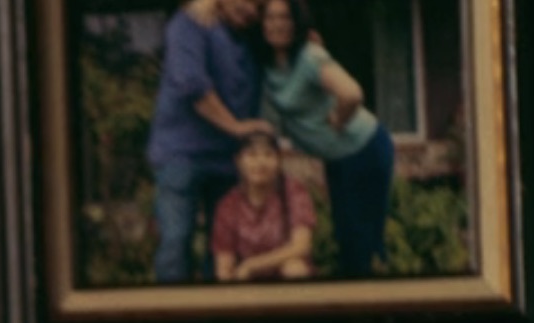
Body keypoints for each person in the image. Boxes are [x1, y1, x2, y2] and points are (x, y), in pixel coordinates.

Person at [257, 0, 395, 277]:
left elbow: (351, 93)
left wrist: (339, 119)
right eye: (270, 18)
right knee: (346, 239)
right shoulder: (269, 65)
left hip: (364, 150)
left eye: (285, 18)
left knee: (360, 243)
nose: (277, 25)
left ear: (297, 24)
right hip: (338, 158)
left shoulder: (309, 56)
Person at [145, 0, 272, 283]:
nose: (251, 10)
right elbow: (192, 85)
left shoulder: (250, 38)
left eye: (259, 6)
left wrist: (307, 39)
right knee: (176, 243)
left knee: (223, 252)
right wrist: (236, 127)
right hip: (181, 156)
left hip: (227, 162)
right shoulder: (190, 22)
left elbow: (286, 36)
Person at [210, 132, 318, 281]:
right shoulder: (228, 205)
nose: (260, 163)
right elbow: (224, 265)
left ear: (279, 160)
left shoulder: (293, 192)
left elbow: (301, 246)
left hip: (282, 270)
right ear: (238, 161)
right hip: (247, 280)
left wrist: (252, 265)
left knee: (294, 268)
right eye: (252, 155)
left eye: (268, 155)